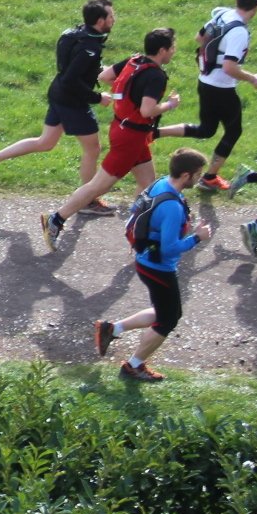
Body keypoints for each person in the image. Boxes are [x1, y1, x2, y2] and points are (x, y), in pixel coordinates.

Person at [0, 0, 119, 213]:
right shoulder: (90, 46)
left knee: (45, 142)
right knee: (93, 148)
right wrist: (97, 98)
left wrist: (102, 72)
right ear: (99, 20)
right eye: (111, 16)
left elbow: (72, 69)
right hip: (72, 101)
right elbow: (71, 79)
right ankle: (88, 200)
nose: (114, 19)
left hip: (58, 94)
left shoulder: (77, 34)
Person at [41, 28, 183, 251]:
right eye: (172, 48)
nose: (174, 51)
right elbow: (148, 111)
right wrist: (170, 104)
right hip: (131, 138)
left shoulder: (134, 60)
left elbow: (105, 76)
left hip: (123, 128)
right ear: (163, 50)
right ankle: (56, 219)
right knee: (97, 186)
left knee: (148, 183)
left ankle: (139, 234)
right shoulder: (155, 75)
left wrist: (123, 96)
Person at [92, 147, 212, 382]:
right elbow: (170, 248)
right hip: (158, 267)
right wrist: (197, 238)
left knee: (166, 310)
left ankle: (112, 329)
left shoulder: (161, 184)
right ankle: (133, 365)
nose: (199, 179)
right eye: (198, 174)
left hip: (145, 259)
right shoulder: (172, 207)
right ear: (186, 175)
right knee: (167, 319)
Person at [157, 0, 257, 191]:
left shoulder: (223, 14)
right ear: (256, 7)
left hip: (205, 80)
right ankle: (210, 177)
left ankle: (155, 133)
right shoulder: (239, 31)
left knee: (207, 129)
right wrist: (253, 79)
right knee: (234, 130)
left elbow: (199, 37)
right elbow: (230, 67)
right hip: (222, 88)